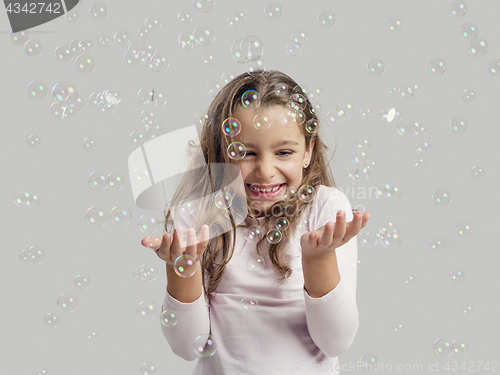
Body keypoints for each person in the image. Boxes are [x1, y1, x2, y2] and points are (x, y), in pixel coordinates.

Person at [141, 70, 370, 374]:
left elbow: (335, 341)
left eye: (284, 152)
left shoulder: (325, 211)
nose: (265, 170)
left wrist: (319, 259)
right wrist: (182, 269)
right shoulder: (199, 215)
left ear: (308, 151)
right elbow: (188, 346)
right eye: (246, 152)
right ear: (223, 153)